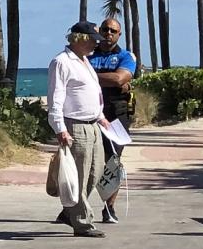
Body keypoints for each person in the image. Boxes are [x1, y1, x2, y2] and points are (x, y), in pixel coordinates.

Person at [45, 21, 108, 237]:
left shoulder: (84, 61)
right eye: (92, 40)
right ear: (80, 39)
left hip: (93, 125)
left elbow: (90, 94)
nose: (95, 45)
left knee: (95, 172)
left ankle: (69, 211)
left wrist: (100, 116)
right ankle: (82, 223)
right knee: (79, 176)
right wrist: (60, 128)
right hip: (75, 125)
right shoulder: (62, 62)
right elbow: (56, 98)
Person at [87, 15, 138, 224]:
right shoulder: (88, 55)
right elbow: (115, 80)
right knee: (86, 160)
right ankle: (76, 207)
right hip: (90, 112)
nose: (108, 34)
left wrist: (88, 76)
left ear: (119, 34)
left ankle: (109, 208)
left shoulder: (127, 56)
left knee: (113, 161)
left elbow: (120, 78)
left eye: (113, 31)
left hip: (118, 114)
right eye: (105, 30)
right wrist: (111, 79)